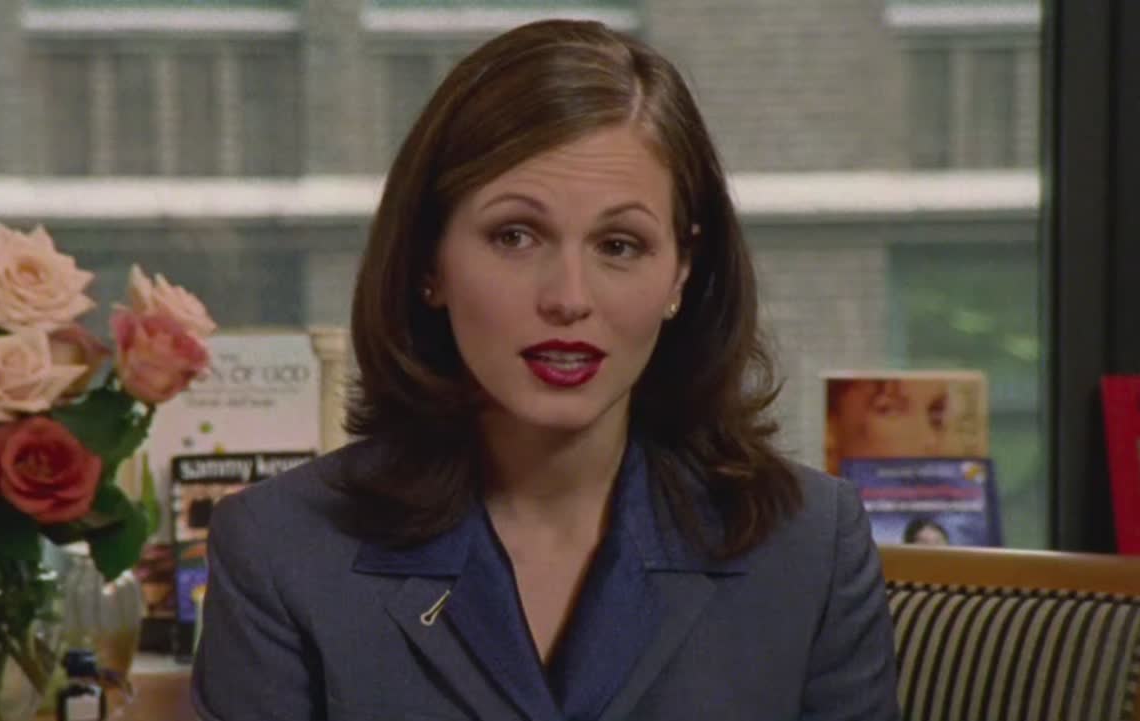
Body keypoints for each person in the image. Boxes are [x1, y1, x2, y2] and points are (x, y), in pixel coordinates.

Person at [192, 19, 900, 721]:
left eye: (619, 245)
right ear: (429, 261)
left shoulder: (810, 549)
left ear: (681, 273)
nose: (568, 297)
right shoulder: (282, 550)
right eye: (515, 236)